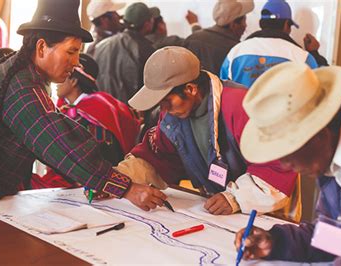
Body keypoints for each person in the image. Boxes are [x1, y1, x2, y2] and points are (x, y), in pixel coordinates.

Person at [0, 0, 164, 211]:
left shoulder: (22, 72)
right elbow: (57, 141)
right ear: (41, 47)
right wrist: (127, 188)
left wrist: (97, 179)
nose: (76, 62)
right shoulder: (23, 87)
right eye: (71, 51)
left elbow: (57, 128)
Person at [113, 46, 300, 219]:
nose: (162, 109)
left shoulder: (243, 106)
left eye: (166, 100)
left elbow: (276, 167)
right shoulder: (172, 115)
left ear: (190, 89)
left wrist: (235, 198)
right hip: (217, 211)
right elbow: (158, 157)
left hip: (262, 212)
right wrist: (118, 179)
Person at [235, 62, 341, 265]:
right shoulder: (330, 154)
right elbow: (336, 238)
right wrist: (277, 243)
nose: (284, 164)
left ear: (319, 131)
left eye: (287, 149)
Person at [30, 54, 141, 189]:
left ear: (74, 81)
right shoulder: (62, 107)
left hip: (91, 179)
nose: (56, 84)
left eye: (63, 75)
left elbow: (106, 154)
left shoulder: (99, 108)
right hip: (66, 173)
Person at [220, 0, 328, 88]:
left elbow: (222, 89)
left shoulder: (235, 53)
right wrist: (314, 53)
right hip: (284, 115)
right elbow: (325, 83)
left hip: (243, 114)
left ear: (261, 23)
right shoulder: (302, 57)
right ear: (286, 24)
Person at [93, 2, 155, 103]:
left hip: (105, 108)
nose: (117, 16)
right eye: (114, 13)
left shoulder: (101, 46)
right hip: (133, 113)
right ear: (147, 24)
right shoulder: (146, 49)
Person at [184, 0, 254, 75]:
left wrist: (195, 24)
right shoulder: (236, 51)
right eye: (244, 21)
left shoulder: (194, 39)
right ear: (233, 25)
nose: (245, 26)